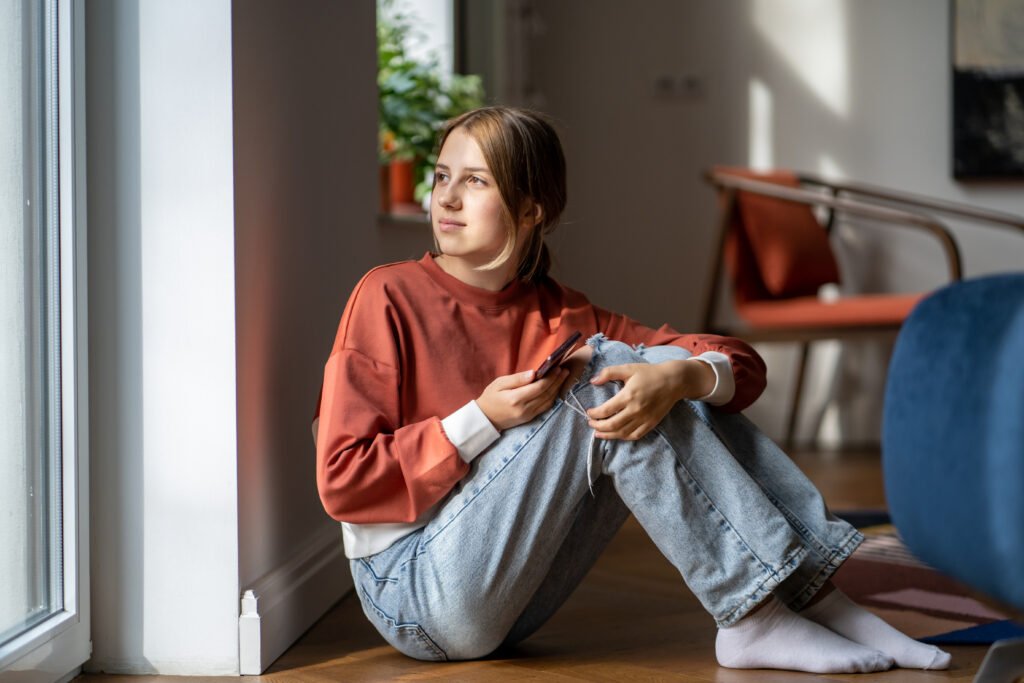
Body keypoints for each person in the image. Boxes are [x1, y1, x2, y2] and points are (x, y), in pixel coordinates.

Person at [313, 106, 951, 673]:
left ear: (533, 209)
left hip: (514, 602)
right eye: (441, 176)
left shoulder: (563, 315)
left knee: (653, 375)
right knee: (603, 372)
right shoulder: (387, 295)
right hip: (412, 591)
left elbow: (737, 363)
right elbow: (342, 479)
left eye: (474, 180)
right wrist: (480, 417)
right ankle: (756, 618)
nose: (447, 198)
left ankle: (816, 598)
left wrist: (684, 376)